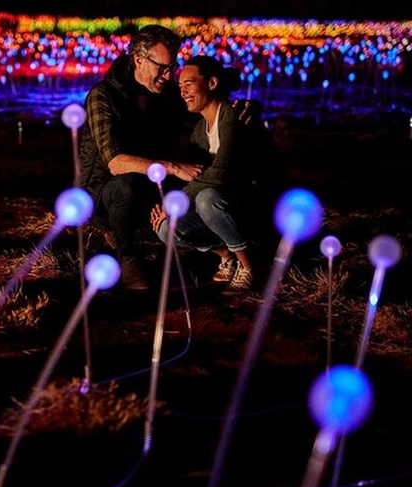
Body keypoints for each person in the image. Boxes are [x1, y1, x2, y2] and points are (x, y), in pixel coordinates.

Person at [78, 24, 203, 290]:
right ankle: (127, 255)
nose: (168, 76)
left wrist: (233, 108)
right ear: (138, 60)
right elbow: (115, 162)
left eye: (172, 68)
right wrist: (172, 167)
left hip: (150, 185)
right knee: (128, 185)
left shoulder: (167, 95)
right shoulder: (103, 96)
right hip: (104, 191)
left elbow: (202, 105)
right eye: (162, 68)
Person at [150, 54, 287, 291]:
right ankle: (227, 256)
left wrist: (177, 200)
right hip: (223, 209)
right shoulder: (198, 133)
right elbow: (198, 177)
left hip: (257, 208)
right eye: (180, 86)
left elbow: (220, 174)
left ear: (212, 83)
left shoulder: (233, 117)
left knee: (207, 198)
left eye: (189, 84)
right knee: (166, 227)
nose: (183, 92)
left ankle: (251, 265)